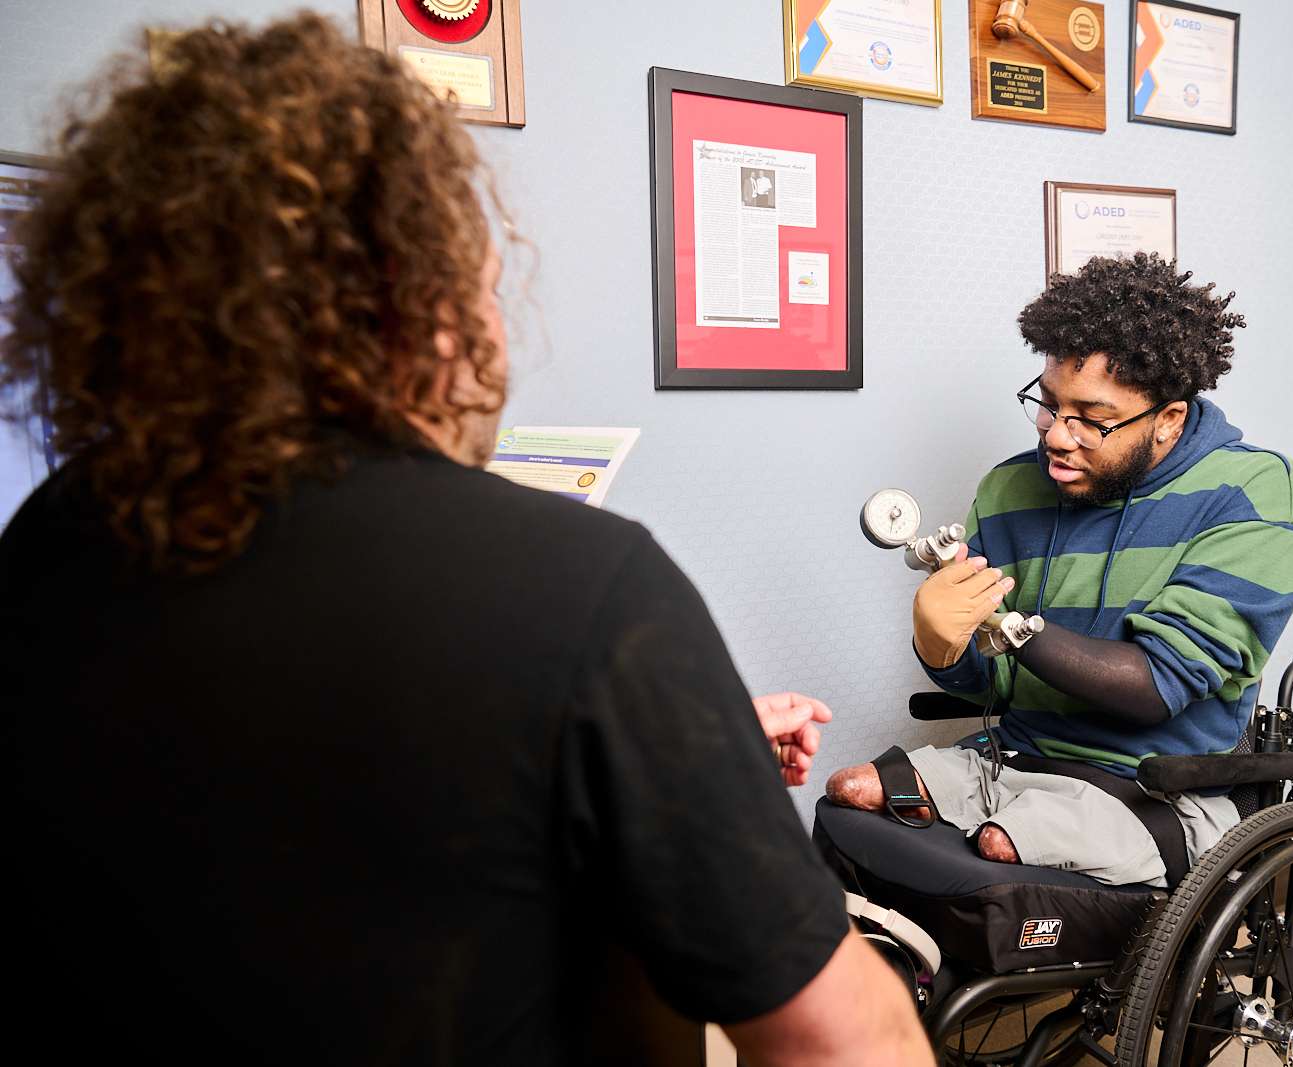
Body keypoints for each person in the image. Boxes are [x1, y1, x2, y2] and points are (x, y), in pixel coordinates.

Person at [0, 16, 929, 1067]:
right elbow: (846, 1044)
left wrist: (665, 753)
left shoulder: (47, 545)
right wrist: (631, 724)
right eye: (484, 281)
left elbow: (296, 808)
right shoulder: (582, 581)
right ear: (421, 297)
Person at [827, 254, 1293, 887]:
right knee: (851, 795)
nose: (1058, 436)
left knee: (1001, 847)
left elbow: (1156, 686)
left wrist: (1011, 629)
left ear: (1167, 420)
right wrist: (942, 645)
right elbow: (992, 687)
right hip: (1016, 759)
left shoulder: (1255, 492)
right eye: (1049, 404)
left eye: (1092, 417)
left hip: (1157, 786)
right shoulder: (1009, 488)